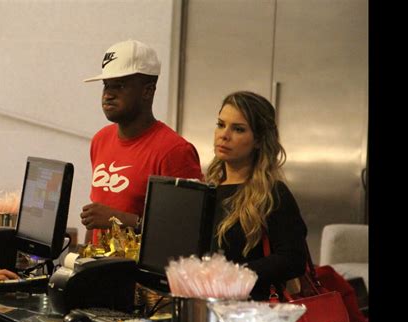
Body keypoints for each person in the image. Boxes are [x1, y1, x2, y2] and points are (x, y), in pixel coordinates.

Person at [81, 39, 203, 243]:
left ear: (148, 90)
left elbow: (188, 231)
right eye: (106, 85)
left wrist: (120, 220)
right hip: (100, 270)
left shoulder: (175, 151)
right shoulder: (101, 139)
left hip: (141, 274)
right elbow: (96, 219)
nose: (108, 95)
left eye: (119, 86)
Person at [207, 90, 307, 301]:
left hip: (254, 313)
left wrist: (235, 274)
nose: (224, 135)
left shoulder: (273, 193)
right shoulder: (208, 189)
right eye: (220, 124)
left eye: (238, 129)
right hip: (206, 310)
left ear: (259, 140)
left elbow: (293, 259)